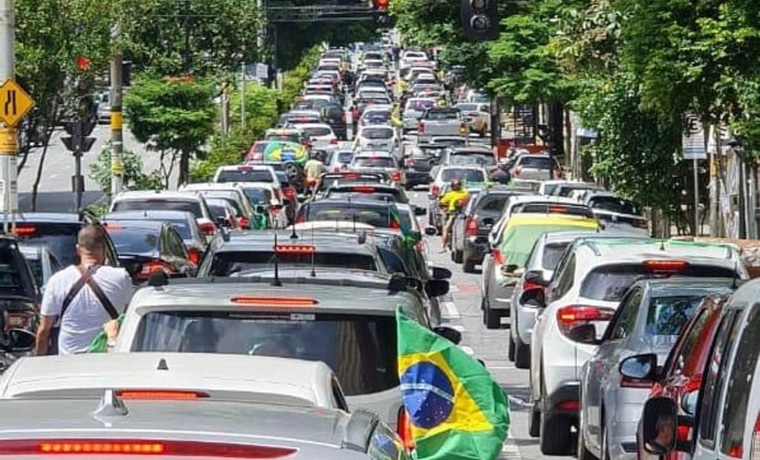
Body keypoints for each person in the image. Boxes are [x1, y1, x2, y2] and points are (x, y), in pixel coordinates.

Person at [35, 225, 132, 355]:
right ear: (104, 249)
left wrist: (39, 362)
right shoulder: (121, 277)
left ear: (78, 250)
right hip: (107, 359)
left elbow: (44, 330)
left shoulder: (57, 280)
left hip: (69, 361)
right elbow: (128, 317)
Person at [439, 179, 469, 252]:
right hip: (457, 214)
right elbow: (442, 204)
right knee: (447, 228)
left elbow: (441, 204)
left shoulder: (452, 194)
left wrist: (444, 208)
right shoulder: (465, 193)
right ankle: (445, 245)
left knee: (446, 229)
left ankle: (443, 246)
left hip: (456, 214)